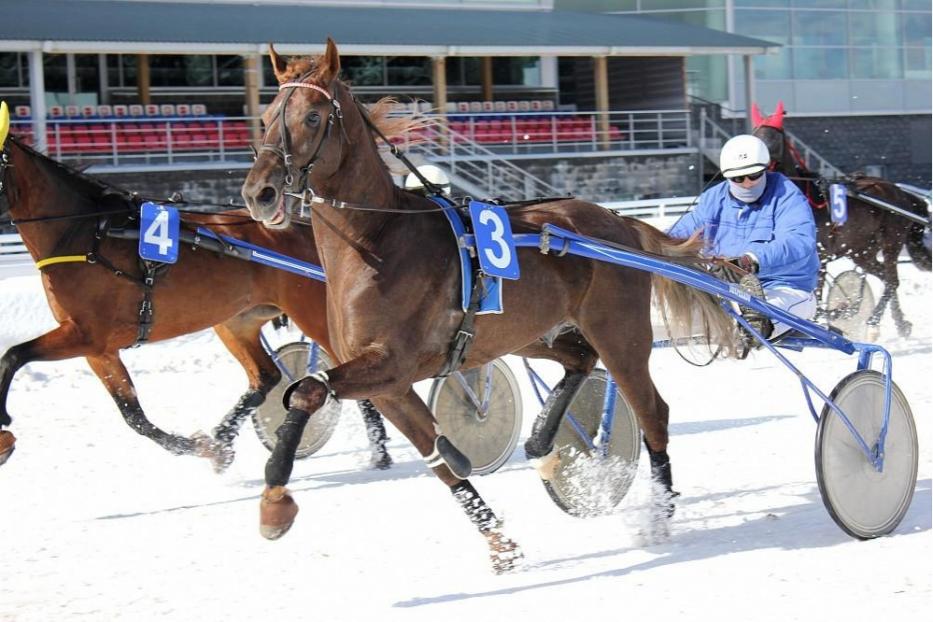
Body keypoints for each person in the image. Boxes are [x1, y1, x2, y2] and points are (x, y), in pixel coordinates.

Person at [668, 134, 820, 340]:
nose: (747, 183)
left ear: (765, 169)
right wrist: (654, 244)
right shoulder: (714, 198)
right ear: (727, 177)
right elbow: (684, 230)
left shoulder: (787, 195)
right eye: (738, 178)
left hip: (784, 289)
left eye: (754, 175)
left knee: (754, 321)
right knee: (667, 318)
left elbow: (799, 240)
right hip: (726, 291)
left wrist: (751, 260)